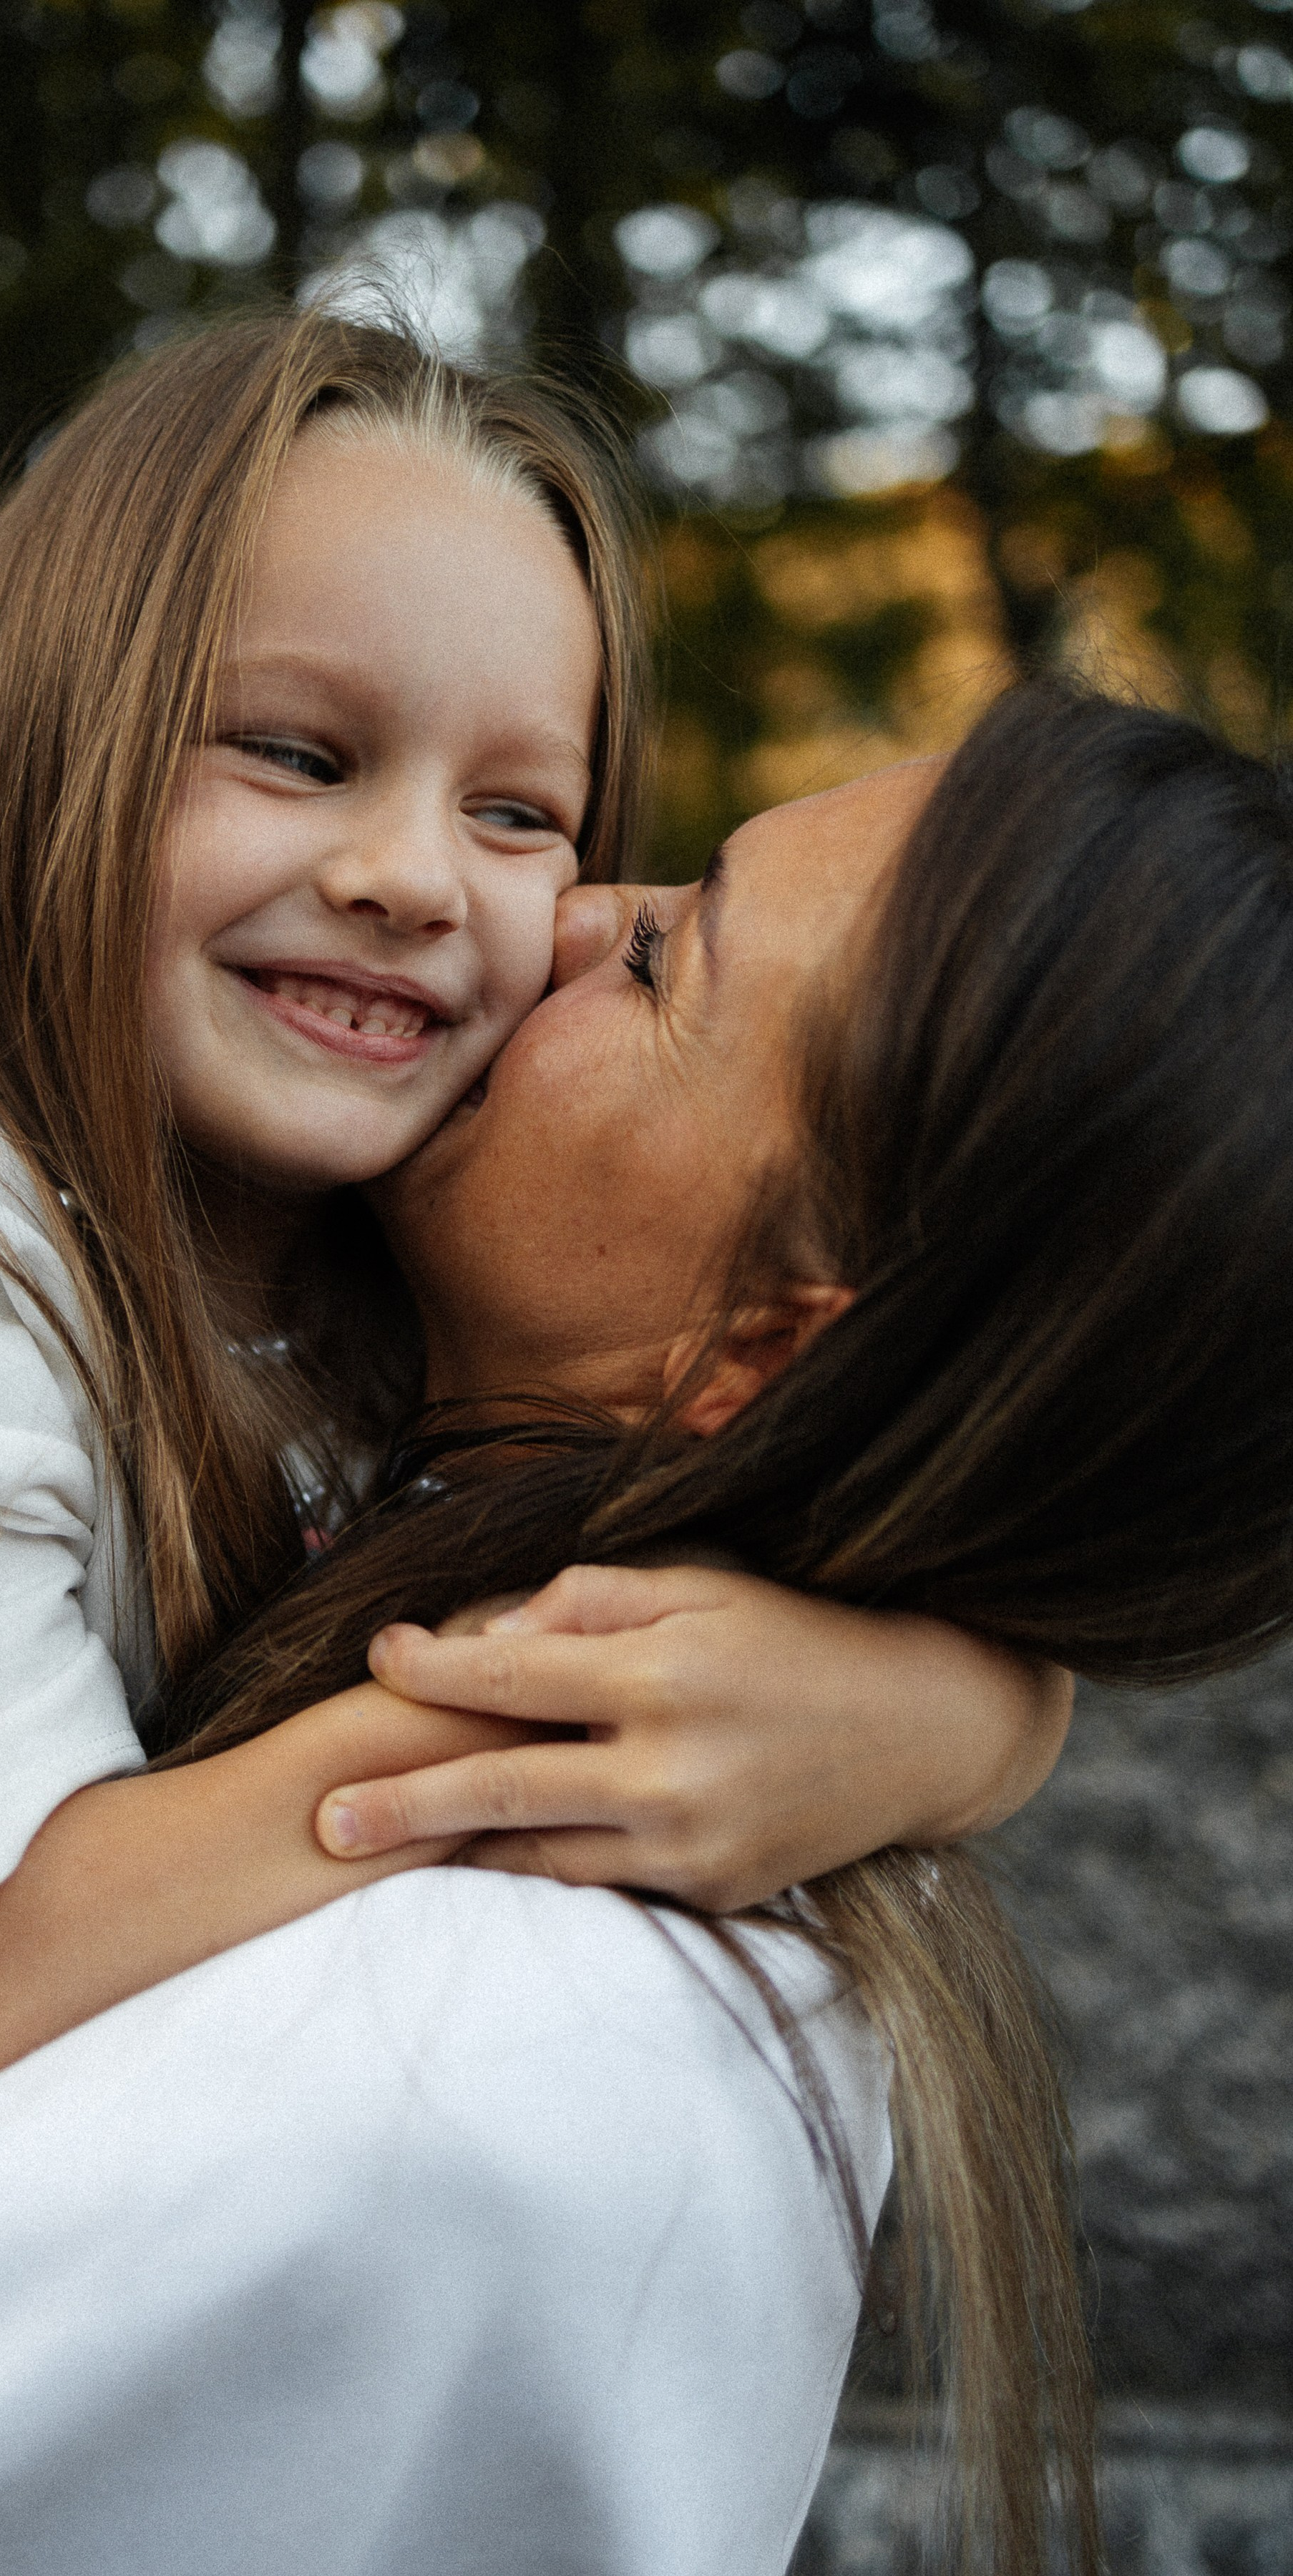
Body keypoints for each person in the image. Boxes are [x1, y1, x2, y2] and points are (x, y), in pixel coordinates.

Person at [0, 309, 1057, 2117]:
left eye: (517, 810)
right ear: (44, 745)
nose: (411, 879)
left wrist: (960, 1716)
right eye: (295, 753)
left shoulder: (409, 1245)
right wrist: (544, 1733)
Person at [158, 680, 1293, 2576]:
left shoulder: (471, 2038)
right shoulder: (317, 1393)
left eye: (664, 961)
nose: (568, 913)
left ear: (761, 1346)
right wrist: (982, 1707)